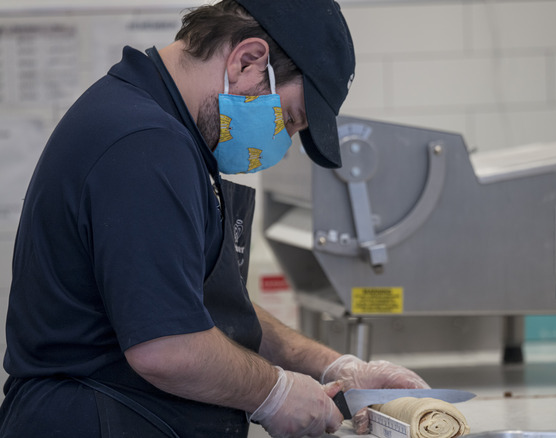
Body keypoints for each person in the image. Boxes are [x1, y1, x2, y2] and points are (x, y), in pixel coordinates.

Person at [0, 1, 429, 437]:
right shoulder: (145, 145)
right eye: (291, 119)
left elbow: (196, 307)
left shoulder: (161, 131)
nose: (285, 140)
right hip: (98, 421)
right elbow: (165, 347)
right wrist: (274, 392)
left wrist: (333, 367)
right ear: (248, 61)